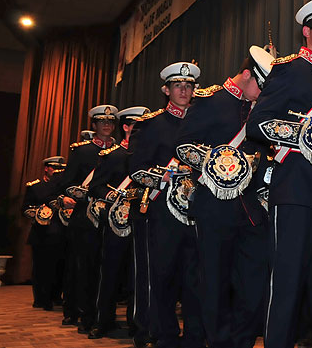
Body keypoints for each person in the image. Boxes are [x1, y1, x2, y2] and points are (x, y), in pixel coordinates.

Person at [247, 0, 312, 348]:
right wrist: (306, 133)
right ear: (306, 31)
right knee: (287, 283)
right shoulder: (288, 69)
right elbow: (257, 124)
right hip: (294, 191)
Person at [175, 46, 273, 347]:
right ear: (246, 75)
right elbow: (183, 147)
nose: (262, 93)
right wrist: (216, 162)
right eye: (261, 84)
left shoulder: (260, 108)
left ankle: (242, 340)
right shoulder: (209, 101)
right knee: (214, 283)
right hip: (215, 207)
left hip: (251, 210)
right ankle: (219, 342)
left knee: (253, 283)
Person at [128, 62, 204, 348]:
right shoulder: (150, 124)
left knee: (195, 279)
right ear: (166, 89)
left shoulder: (203, 122)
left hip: (197, 213)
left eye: (189, 86)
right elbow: (136, 169)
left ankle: (195, 337)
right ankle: (165, 335)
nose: (184, 90)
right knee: (163, 277)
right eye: (178, 85)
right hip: (162, 212)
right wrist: (170, 175)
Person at [87, 106, 149, 339]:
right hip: (116, 225)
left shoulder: (147, 157)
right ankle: (102, 321)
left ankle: (137, 325)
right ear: (125, 127)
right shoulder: (113, 156)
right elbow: (96, 187)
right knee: (110, 274)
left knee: (139, 276)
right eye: (135, 126)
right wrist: (115, 197)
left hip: (142, 222)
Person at [57, 104, 118, 332]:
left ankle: (104, 315)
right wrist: (85, 194)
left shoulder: (119, 151)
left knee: (107, 269)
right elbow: (66, 183)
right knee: (83, 269)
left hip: (110, 219)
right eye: (102, 121)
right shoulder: (82, 152)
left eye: (110, 122)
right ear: (93, 125)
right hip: (85, 218)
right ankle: (82, 314)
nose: (106, 125)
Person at [22, 156, 66, 311]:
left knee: (60, 267)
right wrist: (40, 213)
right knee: (42, 268)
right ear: (46, 168)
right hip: (42, 233)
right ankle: (41, 298)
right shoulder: (35, 187)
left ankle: (55, 296)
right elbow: (26, 209)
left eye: (60, 169)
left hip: (61, 232)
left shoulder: (63, 187)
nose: (57, 171)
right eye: (54, 168)